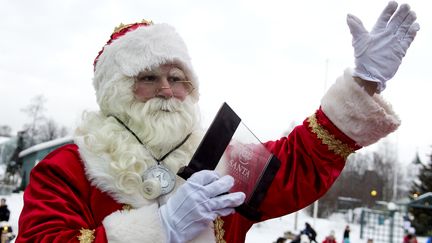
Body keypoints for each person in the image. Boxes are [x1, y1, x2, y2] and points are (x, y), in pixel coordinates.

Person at [16, 1, 420, 242]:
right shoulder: (69, 168)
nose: (167, 89)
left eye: (177, 78)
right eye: (148, 78)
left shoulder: (223, 159)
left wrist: (365, 82)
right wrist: (162, 228)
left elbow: (299, 162)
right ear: (117, 91)